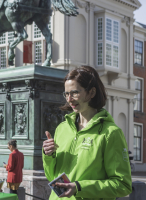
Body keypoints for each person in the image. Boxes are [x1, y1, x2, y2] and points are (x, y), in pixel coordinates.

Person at [42, 66, 132, 200]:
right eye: (66, 94)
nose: (69, 99)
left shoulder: (111, 133)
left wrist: (79, 187)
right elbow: (52, 177)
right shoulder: (62, 128)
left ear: (91, 93)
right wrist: (48, 156)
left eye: (74, 93)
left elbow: (123, 185)